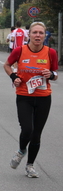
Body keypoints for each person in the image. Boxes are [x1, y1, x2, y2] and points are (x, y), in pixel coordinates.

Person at [3, 22, 58, 178]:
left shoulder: (51, 53)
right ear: (29, 35)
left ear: (45, 35)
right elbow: (6, 65)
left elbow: (55, 73)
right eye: (35, 32)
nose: (38, 35)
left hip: (43, 98)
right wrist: (14, 77)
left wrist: (51, 75)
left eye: (41, 33)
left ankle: (30, 165)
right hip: (24, 97)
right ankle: (21, 151)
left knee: (37, 134)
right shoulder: (20, 51)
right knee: (27, 129)